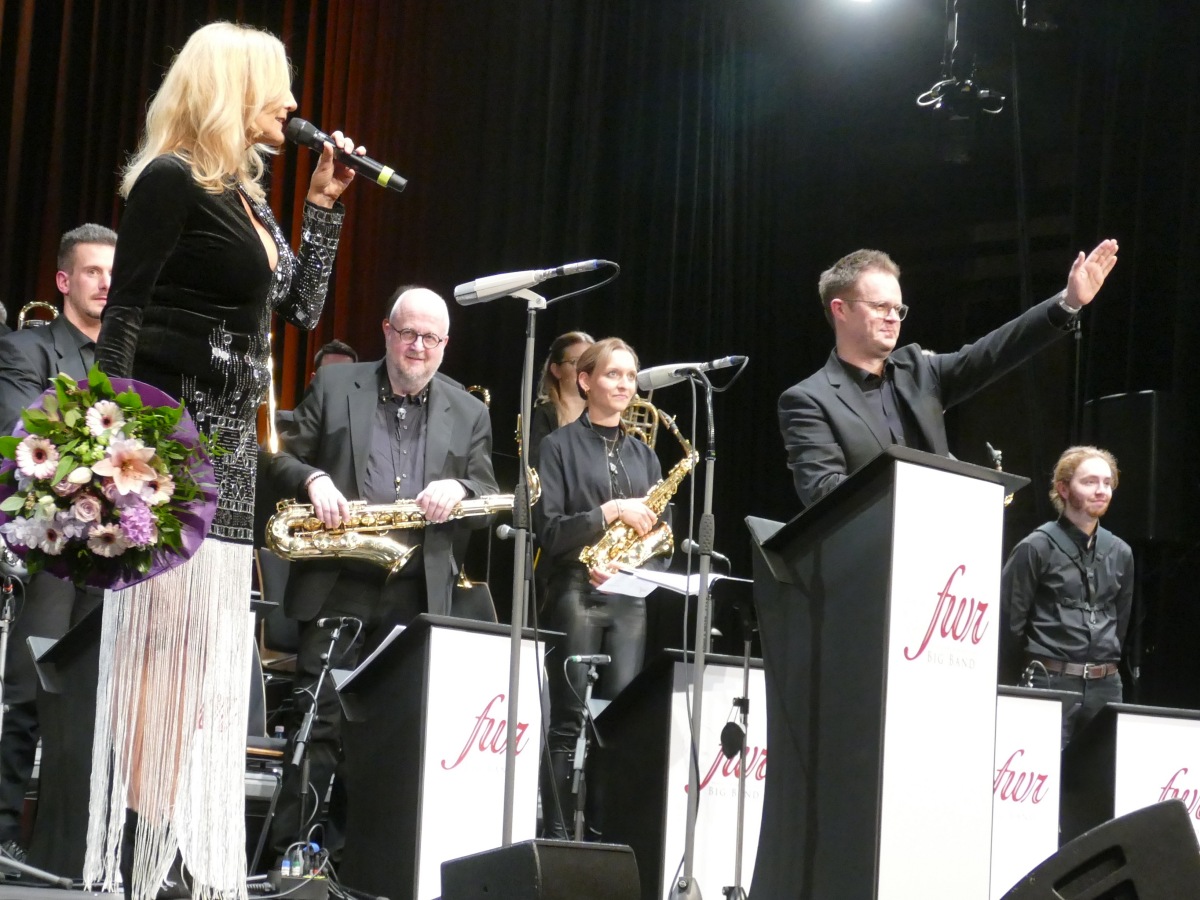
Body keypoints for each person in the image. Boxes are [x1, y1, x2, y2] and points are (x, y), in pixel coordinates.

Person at [85, 22, 362, 900]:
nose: (290, 103)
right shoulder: (172, 181)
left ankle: (179, 853)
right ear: (232, 89)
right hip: (171, 444)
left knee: (201, 666)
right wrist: (112, 450)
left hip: (231, 456)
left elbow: (301, 309)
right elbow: (123, 317)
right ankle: (150, 854)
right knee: (160, 660)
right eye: (276, 86)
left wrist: (323, 210)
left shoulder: (245, 192)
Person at [266, 285, 497, 856]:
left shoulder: (470, 411)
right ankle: (295, 855)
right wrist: (313, 479)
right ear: (387, 332)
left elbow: (489, 490)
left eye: (431, 338)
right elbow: (279, 456)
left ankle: (369, 858)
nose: (418, 346)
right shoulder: (337, 383)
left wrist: (460, 486)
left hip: (414, 590)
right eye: (408, 333)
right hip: (339, 579)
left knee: (394, 732)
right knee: (319, 720)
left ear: (445, 344)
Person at [778, 241, 1119, 508]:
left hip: (945, 560)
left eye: (898, 309)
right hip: (868, 563)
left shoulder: (921, 372)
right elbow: (822, 492)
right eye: (880, 307)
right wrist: (917, 487)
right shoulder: (809, 400)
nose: (893, 318)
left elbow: (994, 352)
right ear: (841, 310)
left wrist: (1067, 303)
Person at [0, 224, 115, 867]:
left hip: (112, 550)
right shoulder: (25, 348)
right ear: (65, 282)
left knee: (92, 701)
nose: (106, 283)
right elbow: (22, 438)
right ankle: (0, 835)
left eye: (113, 273)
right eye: (93, 272)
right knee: (27, 692)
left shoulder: (132, 356)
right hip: (48, 549)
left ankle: (72, 844)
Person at [533, 337, 668, 839]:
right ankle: (559, 835)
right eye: (613, 375)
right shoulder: (558, 446)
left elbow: (661, 539)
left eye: (631, 377)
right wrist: (610, 512)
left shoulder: (646, 457)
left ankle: (608, 839)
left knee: (618, 725)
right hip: (573, 591)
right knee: (567, 723)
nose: (625, 386)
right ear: (585, 381)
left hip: (629, 599)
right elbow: (550, 531)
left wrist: (638, 555)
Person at [1001, 446, 1133, 745]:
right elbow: (1010, 623)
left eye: (1107, 483)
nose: (1101, 490)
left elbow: (1121, 621)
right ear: (1063, 488)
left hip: (1106, 687)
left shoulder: (1121, 552)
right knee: (1043, 780)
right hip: (1050, 682)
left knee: (1101, 784)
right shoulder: (1035, 547)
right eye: (1089, 482)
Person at [528, 331, 594, 467]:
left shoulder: (604, 411)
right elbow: (539, 466)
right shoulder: (547, 413)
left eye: (590, 362)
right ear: (556, 370)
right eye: (576, 362)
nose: (584, 369)